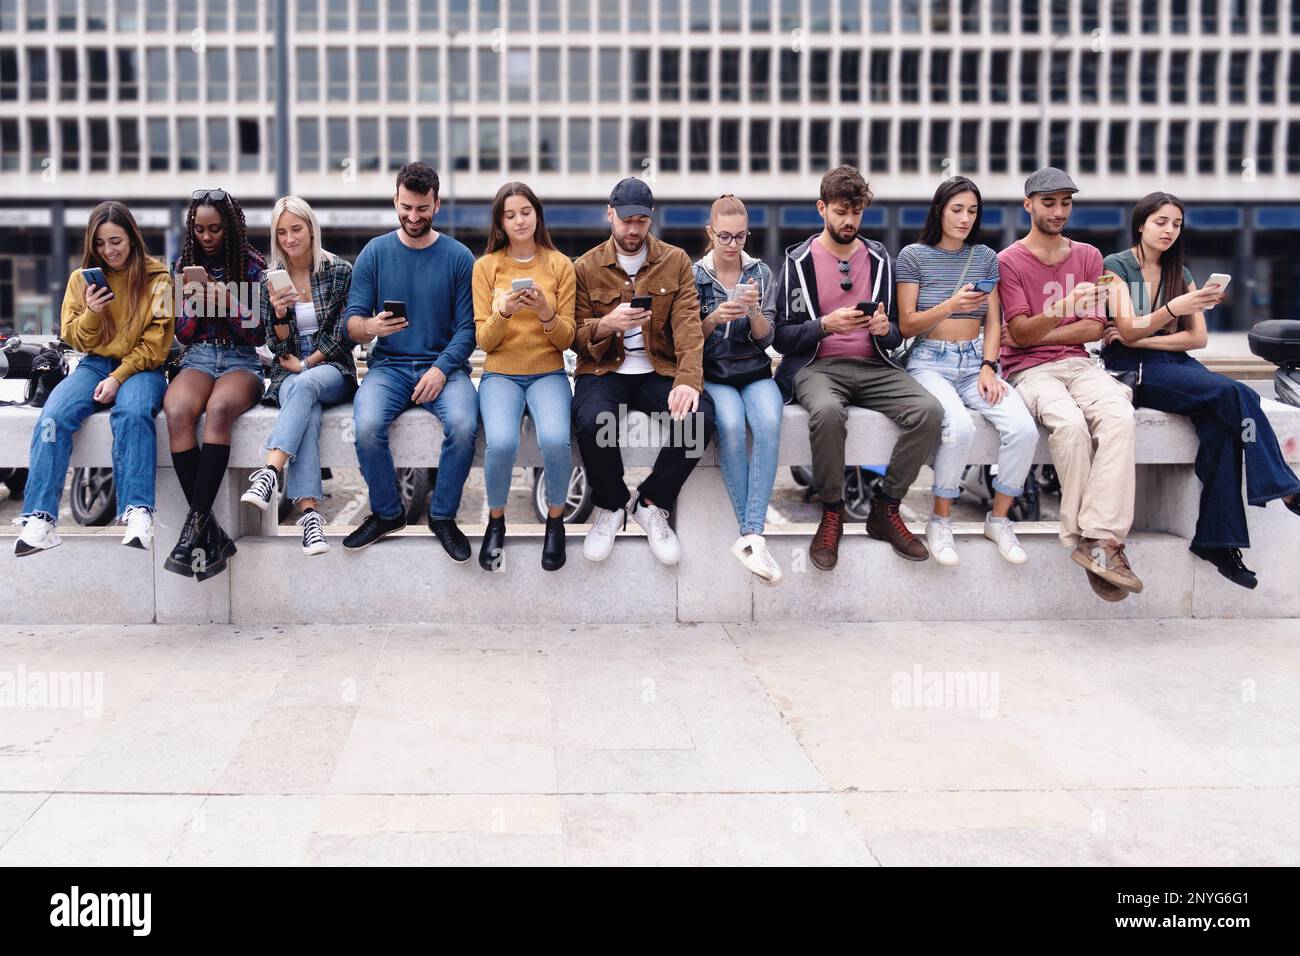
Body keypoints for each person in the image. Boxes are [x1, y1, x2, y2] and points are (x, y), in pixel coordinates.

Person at [1102, 191, 1300, 588]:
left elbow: (1196, 340)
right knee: (1238, 395)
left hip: (1172, 364)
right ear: (1140, 224)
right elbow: (1125, 328)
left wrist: (1142, 337)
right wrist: (1165, 316)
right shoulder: (1116, 266)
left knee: (1224, 432)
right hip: (1136, 372)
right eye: (1161, 222)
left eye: (1176, 224)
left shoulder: (1183, 275)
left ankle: (1218, 542)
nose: (1169, 230)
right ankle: (1285, 489)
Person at [773, 165, 943, 571]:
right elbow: (780, 336)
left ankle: (886, 507)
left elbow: (896, 335)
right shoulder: (798, 261)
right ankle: (832, 511)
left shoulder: (880, 258)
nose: (849, 221)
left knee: (929, 412)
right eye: (840, 212)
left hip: (874, 364)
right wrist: (823, 326)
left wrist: (886, 330)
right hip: (819, 366)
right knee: (828, 413)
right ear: (822, 209)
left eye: (857, 212)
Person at [998, 167, 1140, 602]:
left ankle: (1099, 539)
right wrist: (1064, 311)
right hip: (1028, 370)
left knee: (1119, 417)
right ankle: (1089, 540)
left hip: (1081, 365)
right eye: (1049, 202)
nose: (1059, 211)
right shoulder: (1009, 261)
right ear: (1029, 205)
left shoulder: (1089, 256)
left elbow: (1095, 328)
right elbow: (1018, 339)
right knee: (1071, 427)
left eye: (1065, 202)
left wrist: (1041, 327)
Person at [14, 202, 174, 556]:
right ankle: (40, 518)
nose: (108, 251)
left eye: (115, 241)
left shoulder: (158, 278)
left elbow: (157, 343)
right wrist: (92, 311)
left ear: (132, 237)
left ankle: (137, 511)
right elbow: (74, 338)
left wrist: (119, 377)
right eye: (100, 243)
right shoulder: (81, 279)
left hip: (141, 369)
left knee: (132, 415)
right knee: (53, 418)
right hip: (93, 365)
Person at [571, 177, 715, 565]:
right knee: (592, 420)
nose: (633, 229)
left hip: (659, 370)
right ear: (610, 215)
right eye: (626, 220)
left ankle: (651, 503)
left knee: (699, 418)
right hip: (604, 371)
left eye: (641, 220)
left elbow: (687, 327)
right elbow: (576, 337)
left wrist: (688, 380)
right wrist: (608, 324)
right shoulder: (585, 267)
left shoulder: (676, 261)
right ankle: (612, 504)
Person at [897, 176, 1039, 567]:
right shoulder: (912, 256)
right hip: (929, 361)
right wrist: (951, 304)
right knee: (958, 427)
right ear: (940, 210)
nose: (964, 218)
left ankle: (999, 518)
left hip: (975, 362)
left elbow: (994, 321)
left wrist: (989, 367)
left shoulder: (985, 257)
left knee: (1023, 429)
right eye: (957, 209)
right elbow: (907, 324)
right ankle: (940, 520)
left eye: (972, 211)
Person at [342, 162, 479, 560]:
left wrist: (440, 369)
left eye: (422, 208)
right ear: (395, 200)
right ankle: (387, 513)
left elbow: (468, 329)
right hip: (389, 368)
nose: (413, 216)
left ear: (436, 204)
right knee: (366, 426)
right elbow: (351, 323)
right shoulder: (374, 253)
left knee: (464, 424)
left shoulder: (458, 257)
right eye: (406, 207)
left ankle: (443, 517)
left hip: (444, 367)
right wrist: (371, 327)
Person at [240, 196, 357, 556]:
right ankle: (310, 519)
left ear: (310, 229)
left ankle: (270, 470)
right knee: (307, 407)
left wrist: (308, 364)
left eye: (296, 229)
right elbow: (274, 346)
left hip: (332, 368)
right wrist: (277, 315)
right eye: (282, 232)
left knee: (305, 386)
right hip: (289, 371)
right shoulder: (269, 280)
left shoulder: (339, 271)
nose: (290, 238)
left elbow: (343, 334)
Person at [162, 187, 266, 581]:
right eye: (200, 230)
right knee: (178, 410)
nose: (207, 237)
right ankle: (208, 532)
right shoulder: (183, 265)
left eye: (215, 230)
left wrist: (228, 303)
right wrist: (187, 300)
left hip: (241, 360)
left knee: (220, 410)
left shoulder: (253, 266)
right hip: (200, 356)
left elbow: (258, 336)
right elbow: (185, 335)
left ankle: (193, 532)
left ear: (231, 229)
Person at [472, 182, 576, 572]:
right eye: (510, 214)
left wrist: (547, 312)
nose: (519, 220)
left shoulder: (560, 265)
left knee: (554, 441)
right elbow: (484, 340)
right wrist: (505, 311)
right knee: (499, 443)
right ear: (500, 221)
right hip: (500, 373)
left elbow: (568, 337)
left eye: (525, 212)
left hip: (548, 370)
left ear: (537, 215)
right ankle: (496, 521)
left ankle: (555, 520)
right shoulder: (486, 267)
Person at [693, 194, 783, 584]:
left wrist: (754, 313)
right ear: (710, 233)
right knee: (729, 425)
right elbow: (686, 340)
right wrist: (713, 317)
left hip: (754, 368)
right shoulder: (694, 275)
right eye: (725, 237)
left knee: (769, 423)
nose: (732, 245)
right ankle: (752, 536)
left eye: (741, 237)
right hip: (714, 372)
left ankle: (751, 535)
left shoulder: (760, 272)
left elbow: (767, 339)